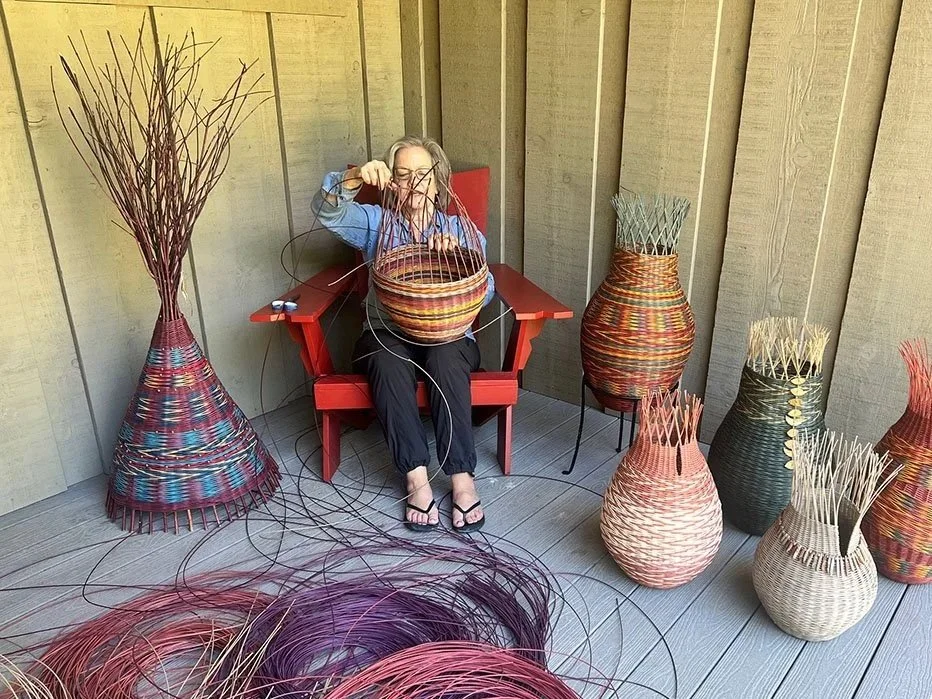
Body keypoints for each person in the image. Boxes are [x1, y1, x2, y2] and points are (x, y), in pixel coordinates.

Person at [311, 135, 496, 533]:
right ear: (392, 182)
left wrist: (459, 260)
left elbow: (487, 290)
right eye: (403, 174)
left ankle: (462, 479)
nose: (414, 182)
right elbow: (326, 211)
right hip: (386, 332)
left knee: (445, 359)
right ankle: (416, 480)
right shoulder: (375, 224)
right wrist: (354, 178)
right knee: (387, 359)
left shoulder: (460, 229)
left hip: (449, 337)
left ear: (438, 180)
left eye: (423, 173)